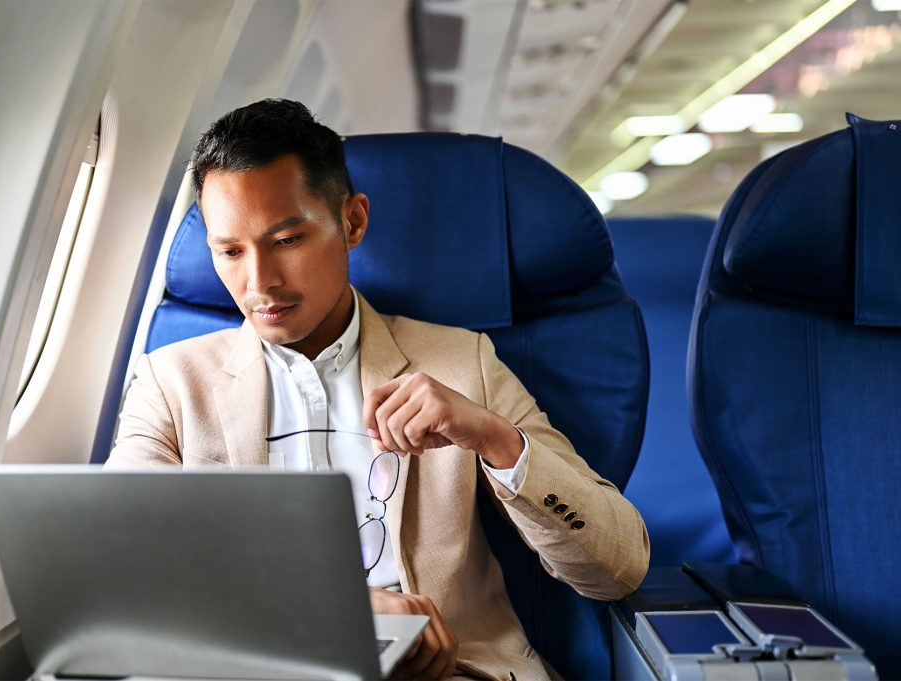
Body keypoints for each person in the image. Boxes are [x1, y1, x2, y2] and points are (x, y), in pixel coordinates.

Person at [106, 99, 649, 681]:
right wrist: (338, 612)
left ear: (352, 222)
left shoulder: (462, 362)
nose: (259, 282)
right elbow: (116, 574)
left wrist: (494, 440)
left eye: (287, 240)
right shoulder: (170, 381)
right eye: (230, 252)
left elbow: (617, 568)